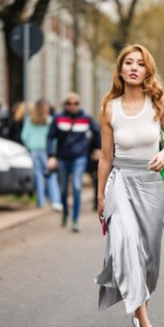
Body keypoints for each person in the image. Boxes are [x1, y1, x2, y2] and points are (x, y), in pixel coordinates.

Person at [94, 43, 164, 327]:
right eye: (128, 62)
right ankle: (145, 323)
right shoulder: (108, 108)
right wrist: (101, 196)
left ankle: (139, 297)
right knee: (125, 246)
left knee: (149, 261)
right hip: (120, 183)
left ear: (147, 71)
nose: (133, 68)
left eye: (139, 64)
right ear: (120, 70)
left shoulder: (160, 103)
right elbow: (105, 157)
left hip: (151, 185)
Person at [46, 92, 100, 232]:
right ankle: (65, 213)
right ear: (65, 104)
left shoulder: (86, 118)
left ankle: (75, 219)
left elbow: (98, 132)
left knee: (76, 186)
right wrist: (51, 156)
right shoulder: (58, 118)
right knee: (63, 190)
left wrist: (99, 149)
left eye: (75, 103)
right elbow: (50, 137)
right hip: (62, 158)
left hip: (79, 158)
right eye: (69, 103)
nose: (72, 106)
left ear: (79, 104)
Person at [21, 99, 62, 211]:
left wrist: (30, 145)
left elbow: (24, 136)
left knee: (38, 176)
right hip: (46, 151)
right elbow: (54, 138)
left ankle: (41, 201)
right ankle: (55, 200)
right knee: (51, 176)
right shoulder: (50, 120)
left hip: (33, 151)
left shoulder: (29, 120)